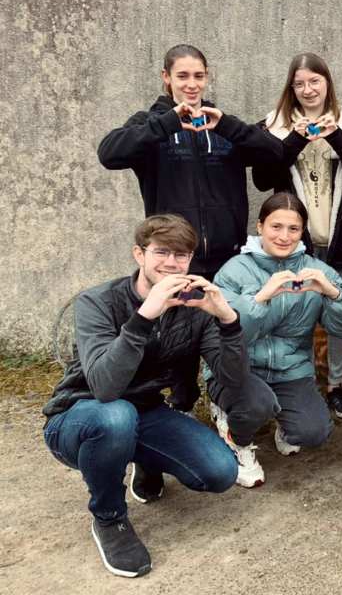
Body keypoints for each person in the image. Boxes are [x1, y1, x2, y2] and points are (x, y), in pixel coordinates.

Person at [41, 215, 249, 578]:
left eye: (181, 255)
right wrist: (145, 315)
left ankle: (145, 458)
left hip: (145, 413)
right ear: (140, 254)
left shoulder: (195, 308)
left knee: (220, 473)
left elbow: (233, 380)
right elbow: (105, 388)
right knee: (116, 416)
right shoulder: (97, 302)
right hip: (79, 416)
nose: (172, 263)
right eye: (161, 252)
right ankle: (109, 519)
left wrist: (228, 320)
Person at [97, 44, 283, 414]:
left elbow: (275, 153)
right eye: (182, 76)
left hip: (227, 257)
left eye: (198, 76)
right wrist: (166, 124)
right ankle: (181, 401)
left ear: (207, 77)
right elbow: (109, 153)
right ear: (166, 78)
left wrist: (227, 125)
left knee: (225, 331)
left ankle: (223, 400)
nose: (191, 84)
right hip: (176, 257)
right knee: (177, 334)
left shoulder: (222, 125)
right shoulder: (150, 124)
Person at [207, 193, 342, 487]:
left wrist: (332, 293)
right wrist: (260, 298)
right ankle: (237, 438)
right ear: (260, 226)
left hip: (290, 370)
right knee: (256, 404)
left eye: (293, 229)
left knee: (315, 433)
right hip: (237, 370)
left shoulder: (317, 270)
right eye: (276, 226)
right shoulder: (233, 270)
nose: (284, 236)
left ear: (302, 231)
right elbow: (227, 334)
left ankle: (284, 419)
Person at [252, 52, 342, 420]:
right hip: (293, 242)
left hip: (340, 239)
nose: (308, 90)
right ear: (291, 88)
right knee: (294, 316)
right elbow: (261, 179)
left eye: (315, 81)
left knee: (339, 315)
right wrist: (294, 140)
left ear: (327, 83)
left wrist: (334, 134)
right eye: (300, 84)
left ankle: (335, 385)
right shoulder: (273, 125)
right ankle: (300, 384)